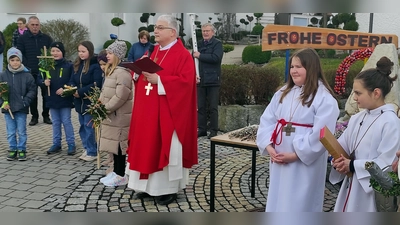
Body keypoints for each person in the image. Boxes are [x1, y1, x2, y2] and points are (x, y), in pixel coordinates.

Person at [125, 14, 198, 205]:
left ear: (172, 32)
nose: (155, 31)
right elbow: (145, 78)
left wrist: (161, 81)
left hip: (169, 116)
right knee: (146, 147)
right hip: (147, 114)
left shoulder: (183, 55)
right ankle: (146, 188)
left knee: (166, 149)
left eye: (159, 27)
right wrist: (137, 72)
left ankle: (167, 190)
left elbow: (186, 83)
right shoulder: (154, 51)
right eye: (155, 27)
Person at [256, 48, 340, 212]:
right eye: (292, 66)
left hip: (304, 164)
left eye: (298, 67)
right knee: (278, 201)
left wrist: (296, 155)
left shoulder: (324, 98)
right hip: (279, 158)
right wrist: (269, 147)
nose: (293, 71)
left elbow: (322, 136)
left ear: (311, 68)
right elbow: (267, 120)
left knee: (300, 205)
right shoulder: (282, 93)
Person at [329, 56, 400, 212]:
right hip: (351, 185)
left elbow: (386, 164)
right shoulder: (357, 118)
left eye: (358, 93)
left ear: (376, 93)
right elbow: (343, 146)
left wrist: (353, 165)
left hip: (370, 194)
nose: (354, 97)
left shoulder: (390, 122)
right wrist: (336, 159)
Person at [98, 40, 133, 187]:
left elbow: (120, 96)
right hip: (112, 115)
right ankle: (116, 171)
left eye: (110, 53)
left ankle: (120, 174)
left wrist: (106, 108)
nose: (107, 55)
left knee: (119, 146)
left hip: (119, 116)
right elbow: (106, 91)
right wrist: (99, 103)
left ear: (118, 55)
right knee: (114, 146)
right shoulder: (111, 71)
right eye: (107, 53)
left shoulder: (122, 73)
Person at [37, 42, 76, 155]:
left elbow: (71, 80)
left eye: (57, 51)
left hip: (64, 98)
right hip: (51, 98)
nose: (55, 53)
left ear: (62, 53)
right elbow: (39, 79)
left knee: (66, 121)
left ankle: (71, 143)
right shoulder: (46, 65)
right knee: (55, 122)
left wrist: (65, 89)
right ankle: (56, 143)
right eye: (53, 51)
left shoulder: (68, 66)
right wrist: (44, 82)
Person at [0, 47, 37, 161]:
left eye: (17, 60)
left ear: (21, 60)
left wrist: (25, 101)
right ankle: (12, 149)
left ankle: (21, 149)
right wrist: (2, 103)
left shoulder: (27, 75)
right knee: (10, 131)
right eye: (12, 60)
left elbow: (32, 90)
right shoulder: (3, 75)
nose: (15, 62)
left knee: (21, 131)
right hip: (8, 108)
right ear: (8, 61)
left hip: (21, 108)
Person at [68, 41, 103, 162]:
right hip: (79, 102)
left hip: (89, 101)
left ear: (90, 51)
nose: (81, 54)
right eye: (79, 51)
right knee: (82, 127)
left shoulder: (95, 65)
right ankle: (87, 148)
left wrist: (81, 91)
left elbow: (96, 83)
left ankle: (92, 151)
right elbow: (72, 79)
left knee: (89, 128)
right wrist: (72, 88)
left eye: (83, 51)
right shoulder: (77, 64)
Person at [17, 15, 53, 126]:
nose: (35, 27)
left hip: (44, 71)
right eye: (32, 25)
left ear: (39, 25)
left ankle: (46, 115)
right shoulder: (22, 39)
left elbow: (52, 53)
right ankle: (34, 116)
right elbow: (20, 54)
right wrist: (26, 66)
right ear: (28, 25)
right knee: (32, 95)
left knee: (46, 94)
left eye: (37, 25)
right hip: (30, 71)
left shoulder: (46, 38)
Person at [193, 23, 223, 139]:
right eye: (203, 31)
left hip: (213, 79)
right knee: (201, 106)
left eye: (207, 31)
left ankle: (214, 130)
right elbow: (193, 59)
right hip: (201, 79)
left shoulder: (217, 44)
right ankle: (202, 129)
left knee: (213, 107)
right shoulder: (198, 44)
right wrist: (195, 74)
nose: (205, 33)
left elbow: (216, 58)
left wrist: (200, 56)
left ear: (213, 32)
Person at [97, 49, 114, 169]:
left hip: (112, 108)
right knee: (106, 135)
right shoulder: (104, 75)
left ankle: (114, 158)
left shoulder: (114, 74)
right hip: (104, 105)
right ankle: (109, 156)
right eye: (100, 65)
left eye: (104, 64)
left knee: (113, 136)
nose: (102, 67)